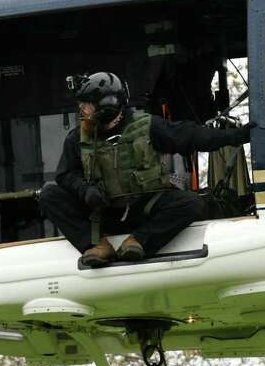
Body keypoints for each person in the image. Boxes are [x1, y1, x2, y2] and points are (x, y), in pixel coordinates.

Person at [39, 72, 252, 267]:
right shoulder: (78, 138)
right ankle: (96, 246)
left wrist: (235, 136)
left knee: (191, 203)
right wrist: (85, 190)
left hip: (145, 210)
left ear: (106, 107)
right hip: (102, 213)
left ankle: (139, 242)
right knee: (49, 194)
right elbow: (65, 175)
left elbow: (191, 136)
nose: (82, 111)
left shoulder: (147, 127)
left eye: (87, 105)